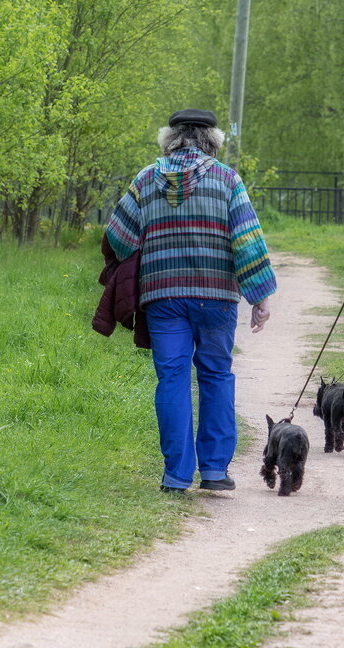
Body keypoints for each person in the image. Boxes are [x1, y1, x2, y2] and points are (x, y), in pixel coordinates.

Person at [105, 109, 276, 493]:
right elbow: (246, 241)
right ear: (211, 140)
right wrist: (260, 296)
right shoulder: (227, 179)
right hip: (216, 298)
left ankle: (177, 475)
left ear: (170, 137)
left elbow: (118, 237)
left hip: (163, 297)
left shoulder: (146, 179)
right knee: (216, 375)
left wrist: (152, 240)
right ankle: (214, 471)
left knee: (173, 379)